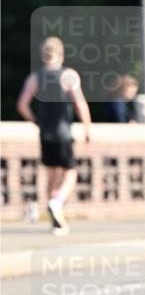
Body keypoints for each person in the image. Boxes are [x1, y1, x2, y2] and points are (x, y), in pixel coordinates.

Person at [16, 36, 91, 234]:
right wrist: (87, 128)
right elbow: (80, 104)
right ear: (61, 54)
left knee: (51, 174)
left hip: (45, 134)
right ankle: (57, 202)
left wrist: (35, 120)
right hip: (63, 133)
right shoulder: (68, 76)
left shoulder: (35, 78)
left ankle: (55, 220)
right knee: (71, 172)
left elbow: (22, 105)